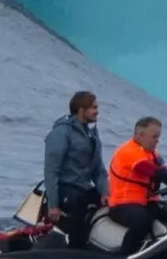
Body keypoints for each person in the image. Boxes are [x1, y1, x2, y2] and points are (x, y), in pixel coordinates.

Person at [107, 116, 167, 254]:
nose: (158, 141)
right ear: (141, 135)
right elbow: (158, 174)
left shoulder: (153, 154)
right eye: (154, 137)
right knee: (142, 220)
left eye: (158, 137)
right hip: (123, 205)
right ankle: (125, 255)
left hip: (147, 204)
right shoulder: (128, 152)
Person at [42, 91, 105, 246]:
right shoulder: (62, 132)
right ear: (81, 110)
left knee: (113, 202)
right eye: (93, 107)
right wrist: (53, 205)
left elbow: (98, 170)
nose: (97, 111)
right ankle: (74, 246)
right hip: (65, 188)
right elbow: (51, 171)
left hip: (83, 187)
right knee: (79, 203)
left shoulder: (91, 134)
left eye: (97, 107)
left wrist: (106, 193)